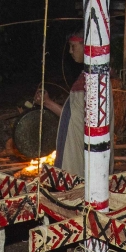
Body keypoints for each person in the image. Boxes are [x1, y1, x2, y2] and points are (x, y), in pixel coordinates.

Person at [35, 33, 88, 177]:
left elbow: (76, 120)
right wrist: (48, 103)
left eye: (73, 46)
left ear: (87, 46)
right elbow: (75, 116)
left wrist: (48, 103)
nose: (70, 51)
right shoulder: (86, 76)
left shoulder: (94, 80)